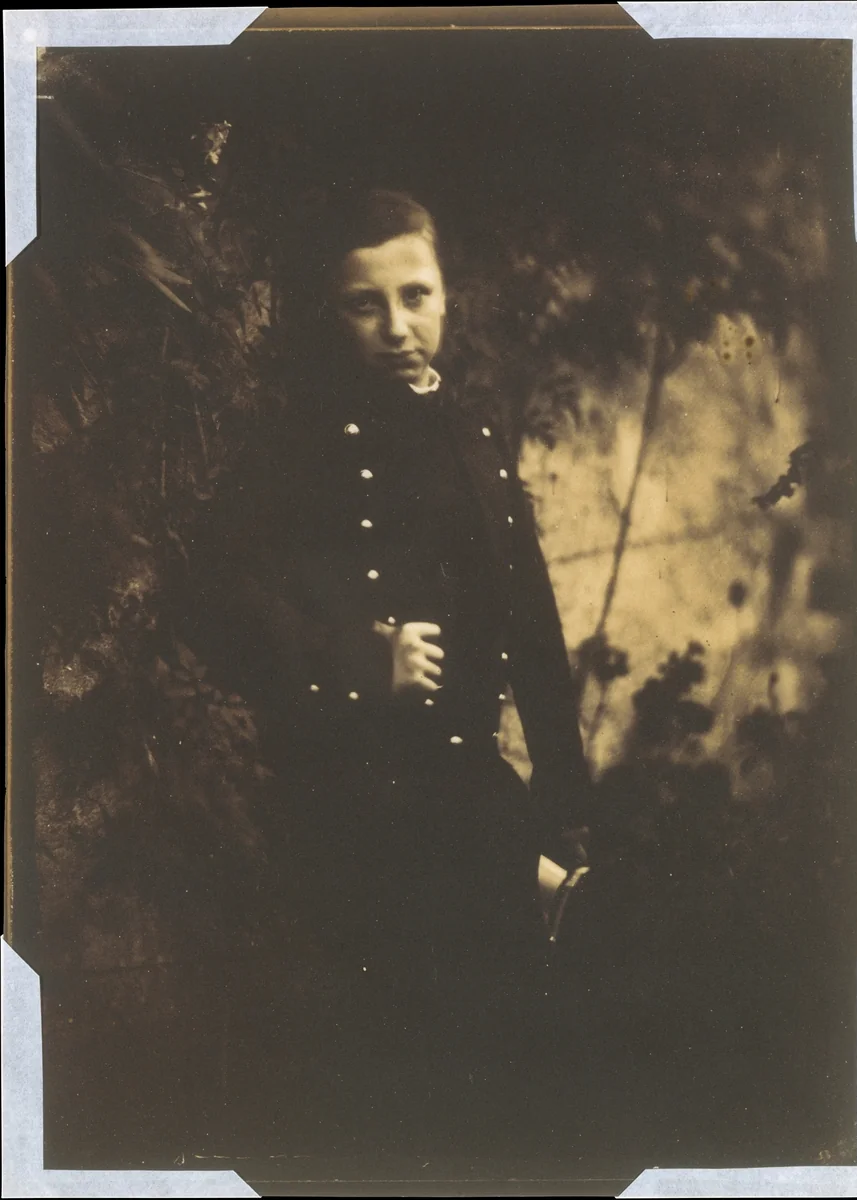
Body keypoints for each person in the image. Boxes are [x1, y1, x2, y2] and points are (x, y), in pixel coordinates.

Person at [184, 188, 593, 1158]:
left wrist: (567, 816)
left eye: (416, 296)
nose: (398, 327)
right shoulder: (292, 453)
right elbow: (208, 602)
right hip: (348, 826)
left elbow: (534, 638)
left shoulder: (478, 443)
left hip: (477, 819)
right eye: (365, 304)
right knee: (380, 1110)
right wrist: (353, 662)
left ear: (447, 297)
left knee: (500, 1104)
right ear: (329, 314)